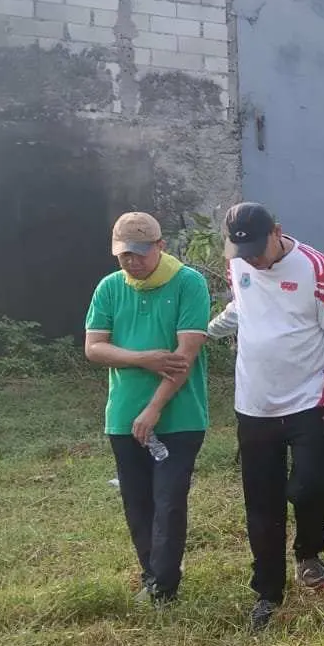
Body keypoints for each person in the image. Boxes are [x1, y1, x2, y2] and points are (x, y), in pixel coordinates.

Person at [207, 202, 324, 631]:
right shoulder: (241, 262)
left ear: (278, 231)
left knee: (312, 484)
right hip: (253, 405)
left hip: (310, 399)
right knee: (262, 502)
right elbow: (243, 309)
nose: (254, 260)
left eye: (259, 248)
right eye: (244, 253)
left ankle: (308, 552)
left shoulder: (316, 267)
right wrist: (207, 331)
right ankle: (267, 592)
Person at [83, 212, 210, 606]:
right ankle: (152, 573)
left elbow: (183, 356)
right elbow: (94, 347)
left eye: (140, 254)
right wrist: (143, 359)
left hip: (179, 417)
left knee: (169, 500)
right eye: (124, 256)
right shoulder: (109, 287)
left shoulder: (188, 283)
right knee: (138, 503)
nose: (133, 263)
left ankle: (163, 589)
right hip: (122, 415)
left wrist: (154, 408)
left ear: (160, 247)